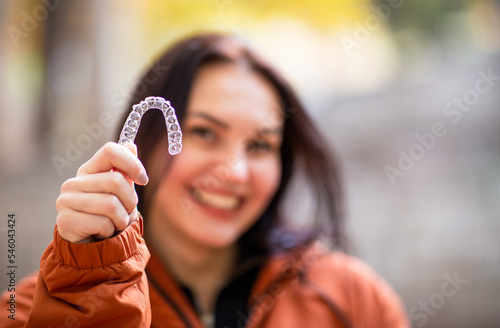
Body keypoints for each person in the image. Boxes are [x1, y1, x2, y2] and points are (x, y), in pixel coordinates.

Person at [1, 33, 409, 328]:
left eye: (261, 145)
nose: (234, 171)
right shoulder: (29, 310)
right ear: (144, 141)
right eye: (205, 133)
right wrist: (92, 286)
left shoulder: (354, 300)